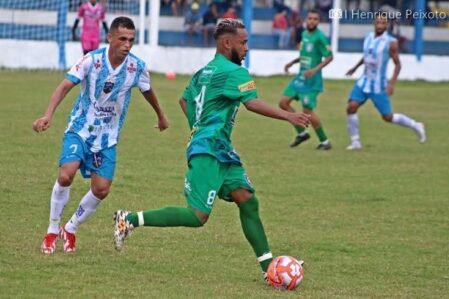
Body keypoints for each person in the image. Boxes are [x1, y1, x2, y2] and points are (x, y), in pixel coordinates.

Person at [113, 19, 310, 282]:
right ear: (227, 43)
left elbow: (184, 100)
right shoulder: (234, 72)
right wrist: (289, 116)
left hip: (220, 150)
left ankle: (269, 270)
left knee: (247, 200)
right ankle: (129, 219)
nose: (247, 48)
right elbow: (251, 104)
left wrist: (198, 127)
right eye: (243, 43)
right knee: (197, 216)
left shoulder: (203, 72)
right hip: (208, 150)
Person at [34, 17, 169, 254]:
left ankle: (71, 227)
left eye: (131, 40)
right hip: (80, 129)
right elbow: (65, 86)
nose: (127, 44)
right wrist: (48, 115)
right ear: (110, 38)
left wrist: (160, 115)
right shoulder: (92, 60)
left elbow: (148, 91)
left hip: (108, 137)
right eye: (123, 39)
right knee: (66, 176)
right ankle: (52, 229)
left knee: (101, 189)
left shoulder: (136, 67)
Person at [345, 15, 426, 150]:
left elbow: (398, 64)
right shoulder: (368, 37)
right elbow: (367, 56)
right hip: (363, 82)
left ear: (387, 25)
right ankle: (355, 142)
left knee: (388, 117)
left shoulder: (390, 42)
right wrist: (355, 68)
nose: (380, 24)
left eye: (383, 22)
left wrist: (391, 83)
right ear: (374, 23)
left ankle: (416, 125)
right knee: (351, 107)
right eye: (378, 22)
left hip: (378, 86)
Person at [279, 9, 333, 150]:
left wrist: (314, 70)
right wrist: (292, 62)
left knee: (308, 112)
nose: (312, 21)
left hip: (312, 81)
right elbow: (304, 54)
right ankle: (302, 133)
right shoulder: (304, 34)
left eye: (315, 19)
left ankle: (325, 141)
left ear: (318, 22)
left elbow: (329, 57)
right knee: (283, 102)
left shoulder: (320, 37)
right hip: (300, 78)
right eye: (310, 18)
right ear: (306, 20)